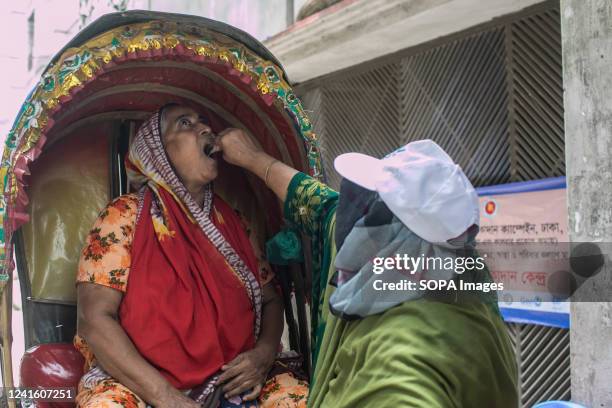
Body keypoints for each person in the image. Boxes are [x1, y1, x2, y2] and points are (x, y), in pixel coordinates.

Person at [218, 131, 519, 407]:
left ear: (387, 238)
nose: (349, 222)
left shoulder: (402, 353)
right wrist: (254, 159)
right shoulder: (445, 261)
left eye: (364, 212)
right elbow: (324, 208)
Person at [74, 104, 308, 408]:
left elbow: (271, 300)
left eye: (204, 122)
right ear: (157, 152)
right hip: (143, 383)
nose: (205, 129)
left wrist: (262, 356)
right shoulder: (123, 216)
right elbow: (94, 320)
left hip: (233, 379)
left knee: (297, 400)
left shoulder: (233, 222)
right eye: (185, 123)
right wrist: (166, 397)